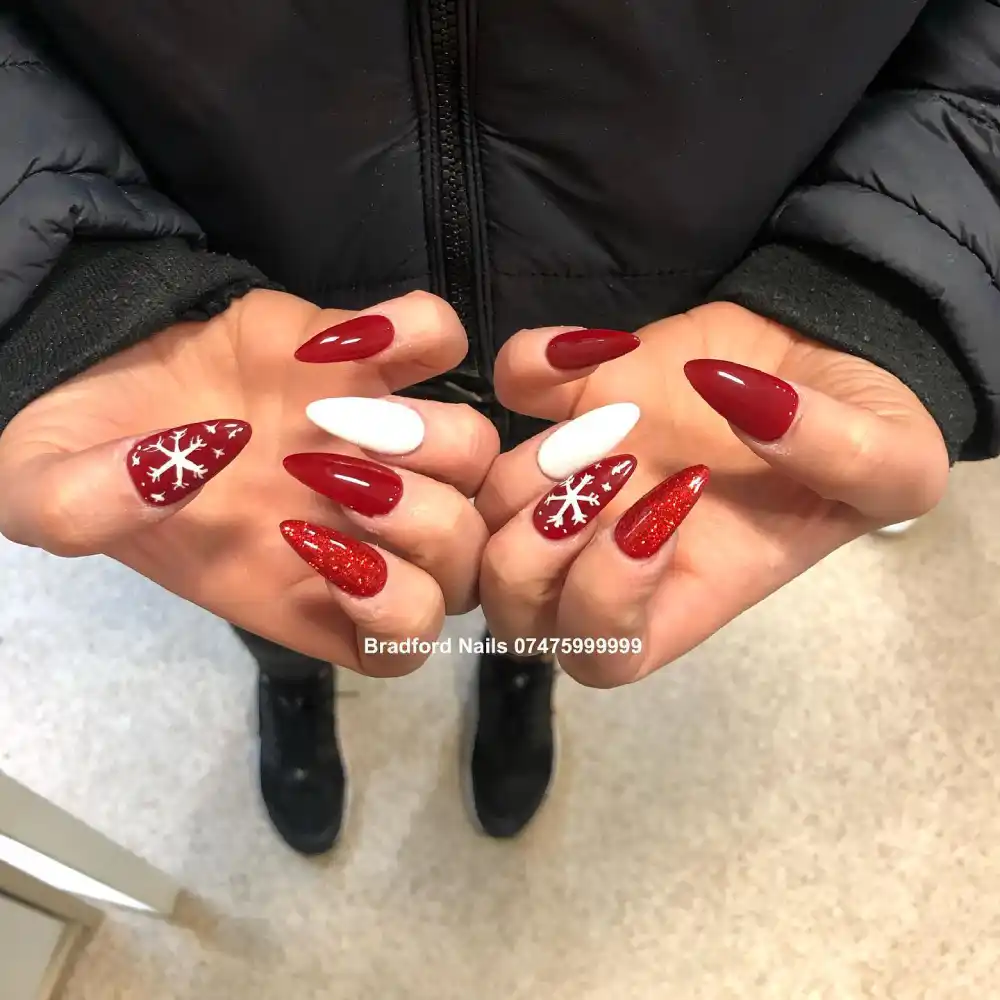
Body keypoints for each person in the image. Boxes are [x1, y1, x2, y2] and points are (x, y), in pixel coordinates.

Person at [0, 3, 993, 856]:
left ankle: (521, 663)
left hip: (669, 299)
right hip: (231, 278)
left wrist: (890, 274)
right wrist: (67, 284)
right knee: (263, 526)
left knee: (568, 555)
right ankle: (289, 667)